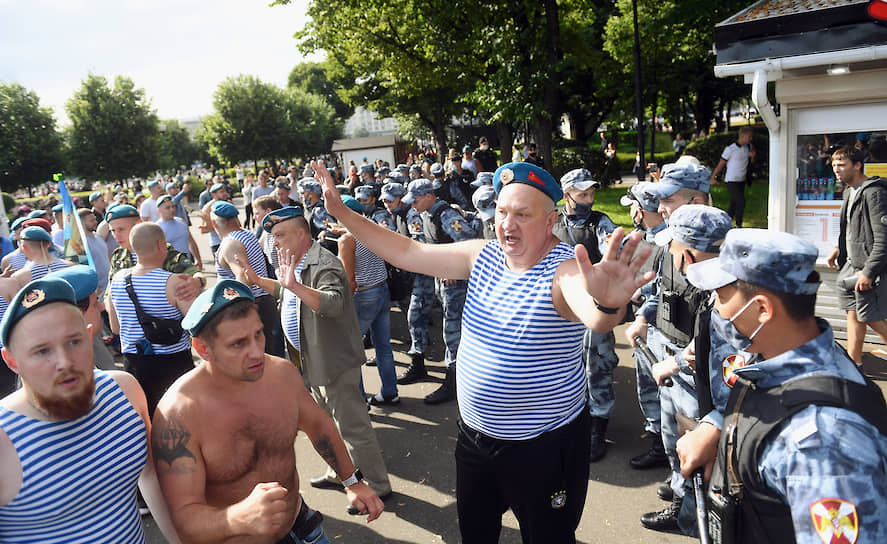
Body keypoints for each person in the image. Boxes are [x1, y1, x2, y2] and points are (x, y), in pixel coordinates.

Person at [311, 159, 653, 543]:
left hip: (542, 447)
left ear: (550, 219)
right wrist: (341, 211)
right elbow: (407, 252)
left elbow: (595, 317)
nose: (507, 224)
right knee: (476, 534)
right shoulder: (482, 255)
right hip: (476, 439)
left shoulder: (564, 271)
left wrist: (608, 305)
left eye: (522, 214)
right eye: (504, 212)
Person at [681, 229, 887, 543]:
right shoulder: (783, 356)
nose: (716, 310)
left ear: (763, 309)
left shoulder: (821, 443)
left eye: (721, 296)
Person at [150, 280, 382, 543]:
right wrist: (239, 517)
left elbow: (319, 425)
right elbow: (184, 520)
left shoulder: (281, 375)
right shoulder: (178, 416)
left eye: (258, 335)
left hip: (303, 529)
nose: (256, 352)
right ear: (203, 349)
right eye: (238, 344)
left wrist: (352, 481)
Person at [234, 206, 393, 513]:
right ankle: (341, 474)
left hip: (331, 361)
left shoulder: (325, 263)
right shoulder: (299, 262)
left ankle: (377, 485)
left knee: (352, 426)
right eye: (272, 236)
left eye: (280, 235)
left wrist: (293, 285)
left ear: (301, 234)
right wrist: (257, 279)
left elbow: (332, 302)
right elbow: (285, 292)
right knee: (325, 425)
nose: (274, 242)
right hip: (310, 360)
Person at [0, 277, 180, 543]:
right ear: (12, 361)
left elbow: (150, 474)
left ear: (88, 335)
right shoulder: (4, 439)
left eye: (74, 342)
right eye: (41, 351)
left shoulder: (124, 391)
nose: (64, 362)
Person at [636, 204, 732, 535]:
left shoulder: (730, 295)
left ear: (688, 254)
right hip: (692, 379)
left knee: (702, 463)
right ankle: (684, 506)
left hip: (715, 405)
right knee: (678, 442)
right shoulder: (721, 283)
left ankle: (692, 519)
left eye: (675, 249)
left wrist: (677, 362)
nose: (673, 258)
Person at [552, 168, 618, 462]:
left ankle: (598, 426)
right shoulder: (552, 222)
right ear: (567, 196)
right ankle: (570, 417)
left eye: (591, 194)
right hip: (561, 304)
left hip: (592, 305)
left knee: (597, 365)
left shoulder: (599, 223)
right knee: (562, 362)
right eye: (582, 194)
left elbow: (610, 251)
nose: (588, 199)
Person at [107, 222, 197, 417]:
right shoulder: (174, 282)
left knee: (146, 418)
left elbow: (115, 328)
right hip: (174, 362)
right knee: (181, 417)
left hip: (135, 363)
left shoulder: (117, 280)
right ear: (161, 245)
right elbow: (196, 325)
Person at [403, 178, 478, 404]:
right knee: (451, 330)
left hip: (457, 285)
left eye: (416, 200)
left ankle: (454, 383)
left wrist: (455, 268)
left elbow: (470, 241)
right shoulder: (427, 215)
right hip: (443, 282)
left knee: (453, 332)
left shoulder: (446, 215)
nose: (413, 205)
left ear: (428, 196)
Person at [826, 146, 887, 363]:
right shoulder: (849, 191)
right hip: (852, 265)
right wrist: (838, 248)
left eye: (842, 164)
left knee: (870, 317)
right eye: (834, 165)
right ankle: (855, 362)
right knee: (853, 312)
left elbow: (883, 237)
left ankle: (854, 362)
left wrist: (869, 272)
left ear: (857, 165)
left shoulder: (874, 192)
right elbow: (852, 229)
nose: (836, 169)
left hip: (867, 268)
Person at [212, 200, 284, 358]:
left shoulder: (230, 244)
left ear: (214, 223)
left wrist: (243, 313)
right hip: (264, 301)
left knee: (259, 357)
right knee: (268, 355)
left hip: (253, 303)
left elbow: (243, 276)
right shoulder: (247, 234)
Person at [106, 205, 205, 294]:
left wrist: (197, 282)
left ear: (138, 224)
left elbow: (194, 272)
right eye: (113, 231)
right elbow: (110, 292)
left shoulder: (161, 250)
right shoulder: (118, 256)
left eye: (121, 229)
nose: (116, 236)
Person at [710, 126, 755, 227]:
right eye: (749, 136)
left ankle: (724, 224)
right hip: (731, 180)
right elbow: (721, 164)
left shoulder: (748, 147)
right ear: (743, 135)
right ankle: (739, 225)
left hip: (742, 180)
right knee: (741, 202)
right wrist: (713, 177)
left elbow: (751, 162)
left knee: (734, 204)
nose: (751, 139)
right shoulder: (730, 149)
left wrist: (752, 157)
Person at [157, 195, 201, 264]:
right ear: (159, 210)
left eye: (173, 206)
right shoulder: (157, 228)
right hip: (171, 267)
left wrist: (197, 259)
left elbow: (191, 241)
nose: (172, 210)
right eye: (167, 208)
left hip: (187, 264)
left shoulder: (181, 221)